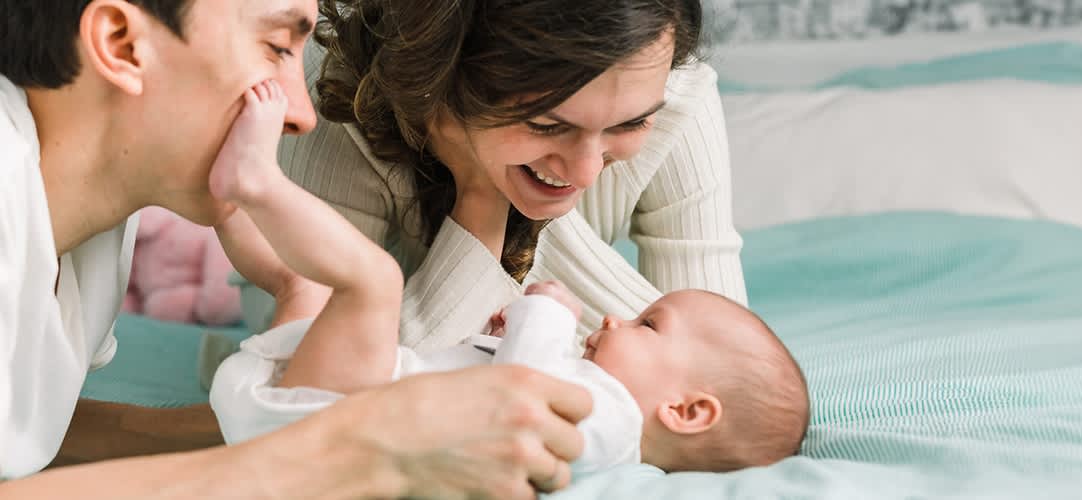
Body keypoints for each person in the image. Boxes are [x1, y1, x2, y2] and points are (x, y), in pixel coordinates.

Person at [0, 1, 590, 497]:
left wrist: (312, 411)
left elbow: (26, 439)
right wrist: (348, 451)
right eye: (277, 48)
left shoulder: (89, 232)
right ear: (123, 44)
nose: (302, 115)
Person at [202, 79, 808, 476]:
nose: (618, 317)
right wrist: (500, 325)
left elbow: (524, 386)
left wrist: (537, 301)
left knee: (367, 283)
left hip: (332, 414)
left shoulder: (614, 427)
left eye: (647, 326)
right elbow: (508, 381)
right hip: (332, 399)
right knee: (304, 284)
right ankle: (230, 200)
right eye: (549, 124)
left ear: (688, 412)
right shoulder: (609, 411)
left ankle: (252, 186)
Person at [239, 0, 749, 356]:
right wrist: (482, 205)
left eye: (630, 123)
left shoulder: (674, 94)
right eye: (547, 125)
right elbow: (310, 384)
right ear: (439, 81)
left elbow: (713, 371)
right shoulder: (335, 105)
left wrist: (495, 194)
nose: (587, 172)